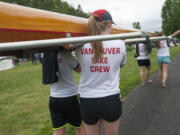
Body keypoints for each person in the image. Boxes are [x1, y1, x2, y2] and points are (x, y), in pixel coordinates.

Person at [76, 9, 126, 135]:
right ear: (109, 23)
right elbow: (120, 66)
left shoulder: (80, 45)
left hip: (87, 101)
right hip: (110, 98)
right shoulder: (120, 44)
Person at [48, 49, 85, 135]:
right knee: (80, 126)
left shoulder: (47, 55)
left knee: (58, 130)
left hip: (54, 98)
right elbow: (79, 69)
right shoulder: (65, 54)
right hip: (70, 97)